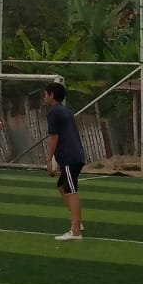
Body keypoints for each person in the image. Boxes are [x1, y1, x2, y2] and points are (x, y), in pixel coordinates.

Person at [43, 82, 84, 241]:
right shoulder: (65, 111)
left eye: (45, 94)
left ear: (51, 95)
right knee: (61, 186)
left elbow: (55, 137)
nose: (44, 97)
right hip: (73, 155)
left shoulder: (54, 112)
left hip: (70, 157)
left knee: (71, 190)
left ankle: (76, 232)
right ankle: (77, 221)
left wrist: (49, 160)